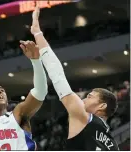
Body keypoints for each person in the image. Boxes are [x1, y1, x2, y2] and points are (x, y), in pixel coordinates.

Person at [20, 6, 119, 151]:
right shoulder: (113, 145)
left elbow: (57, 74)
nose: (83, 99)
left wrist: (37, 33)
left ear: (102, 106)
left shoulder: (85, 117)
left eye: (90, 97)